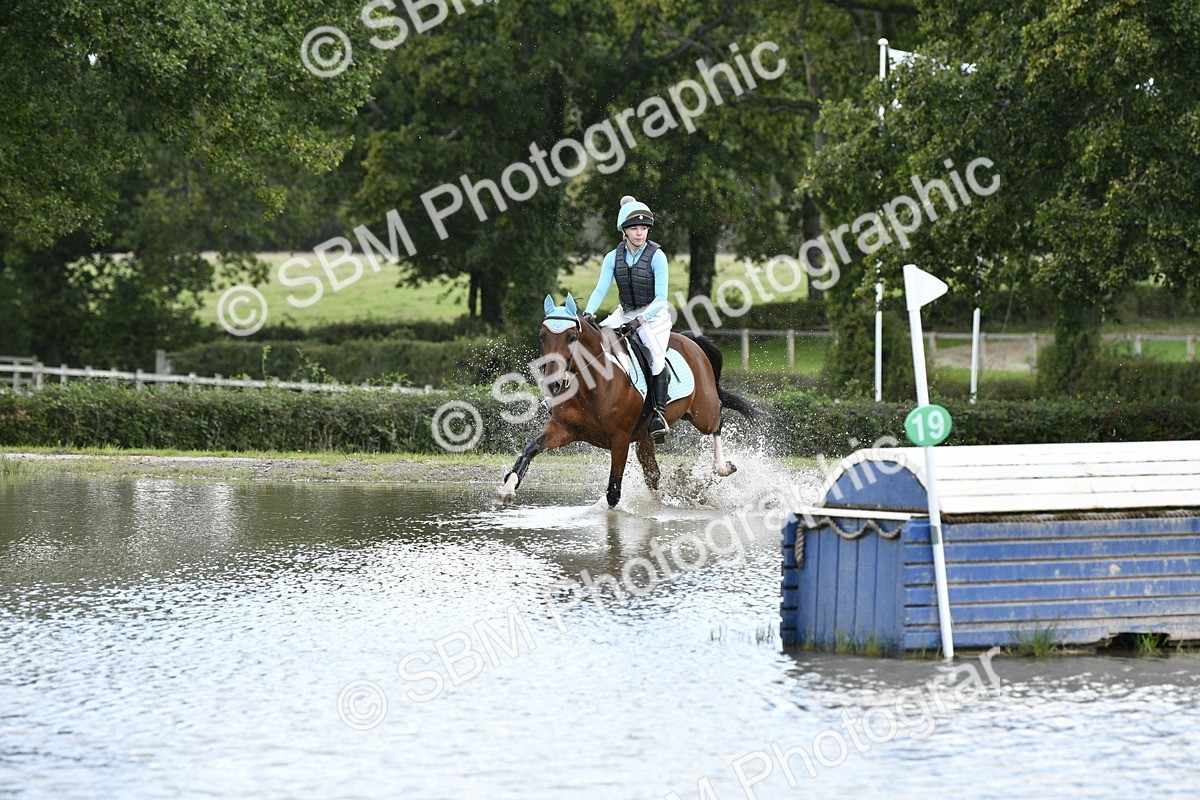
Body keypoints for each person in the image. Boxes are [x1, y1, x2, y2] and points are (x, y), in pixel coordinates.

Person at [583, 195, 673, 442]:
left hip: (654, 316)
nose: (640, 233)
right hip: (624, 312)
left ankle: (658, 415)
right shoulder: (613, 257)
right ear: (624, 231)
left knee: (655, 357)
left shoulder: (657, 256)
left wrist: (640, 320)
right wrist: (589, 313)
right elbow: (601, 289)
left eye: (644, 228)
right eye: (634, 228)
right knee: (593, 343)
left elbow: (661, 299)